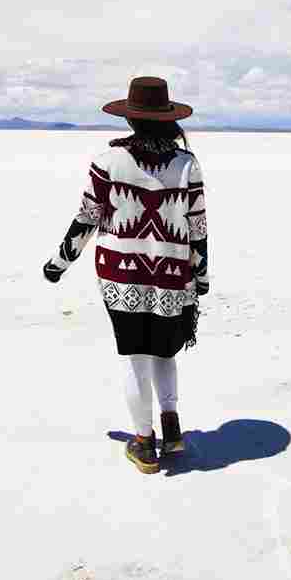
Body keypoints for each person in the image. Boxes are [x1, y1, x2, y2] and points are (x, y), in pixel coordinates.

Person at [42, 76, 209, 474]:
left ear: (131, 119)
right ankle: (172, 431)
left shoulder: (109, 160)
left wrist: (59, 263)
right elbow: (198, 228)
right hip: (171, 276)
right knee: (165, 353)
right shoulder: (187, 164)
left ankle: (142, 441)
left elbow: (87, 217)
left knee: (136, 357)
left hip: (122, 278)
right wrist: (200, 277)